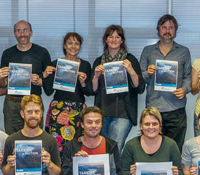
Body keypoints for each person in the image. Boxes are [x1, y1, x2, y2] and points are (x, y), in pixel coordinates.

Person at [140, 14, 192, 151]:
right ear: (158, 29)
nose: (167, 30)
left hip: (176, 109)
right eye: (164, 27)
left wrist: (184, 89)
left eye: (171, 27)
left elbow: (188, 77)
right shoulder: (148, 51)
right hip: (153, 109)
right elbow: (140, 78)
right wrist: (148, 73)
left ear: (175, 30)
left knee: (175, 150)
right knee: (152, 149)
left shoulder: (184, 51)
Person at [92, 25, 145, 153]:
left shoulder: (130, 59)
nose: (114, 39)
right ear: (106, 40)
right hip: (103, 112)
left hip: (123, 114)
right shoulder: (99, 61)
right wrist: (96, 76)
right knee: (102, 151)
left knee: (114, 150)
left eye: (117, 37)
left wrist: (131, 70)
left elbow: (140, 87)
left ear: (122, 40)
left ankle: (115, 174)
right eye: (111, 36)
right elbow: (93, 90)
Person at [0, 20, 52, 135]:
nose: (22, 34)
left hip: (33, 102)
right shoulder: (7, 53)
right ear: (14, 34)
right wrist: (1, 78)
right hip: (12, 104)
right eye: (19, 31)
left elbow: (48, 82)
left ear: (31, 33)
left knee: (35, 137)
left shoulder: (42, 52)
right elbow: (2, 84)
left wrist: (39, 81)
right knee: (12, 138)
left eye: (25, 30)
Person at [43, 32, 95, 149]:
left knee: (78, 144)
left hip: (78, 109)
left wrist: (83, 83)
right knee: (57, 144)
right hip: (58, 109)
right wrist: (45, 76)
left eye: (76, 44)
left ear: (80, 47)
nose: (73, 46)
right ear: (64, 46)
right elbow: (48, 91)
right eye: (70, 43)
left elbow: (89, 92)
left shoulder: (85, 65)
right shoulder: (55, 64)